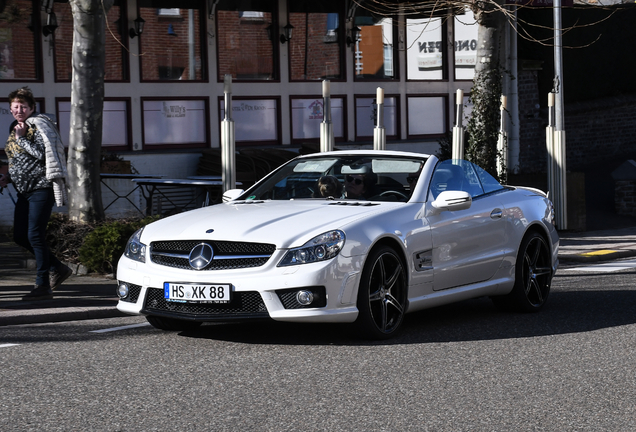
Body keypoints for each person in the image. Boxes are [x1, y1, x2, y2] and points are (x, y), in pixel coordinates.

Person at [0, 87, 72, 300]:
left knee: (34, 235)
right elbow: (18, 160)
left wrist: (22, 139)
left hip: (42, 188)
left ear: (32, 107)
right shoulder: (14, 127)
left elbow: (43, 155)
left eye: (23, 106)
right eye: (15, 107)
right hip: (24, 190)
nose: (19, 110)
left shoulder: (40, 125)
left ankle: (42, 286)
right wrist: (8, 177)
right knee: (20, 236)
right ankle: (58, 267)